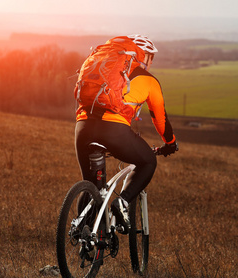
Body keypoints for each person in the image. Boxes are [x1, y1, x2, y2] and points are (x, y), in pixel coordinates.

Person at [75, 34, 178, 233]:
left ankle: (81, 235)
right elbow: (160, 119)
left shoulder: (105, 69)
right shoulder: (149, 80)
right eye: (151, 57)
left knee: (90, 185)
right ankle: (121, 203)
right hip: (113, 130)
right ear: (144, 56)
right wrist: (170, 143)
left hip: (83, 126)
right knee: (148, 161)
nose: (151, 62)